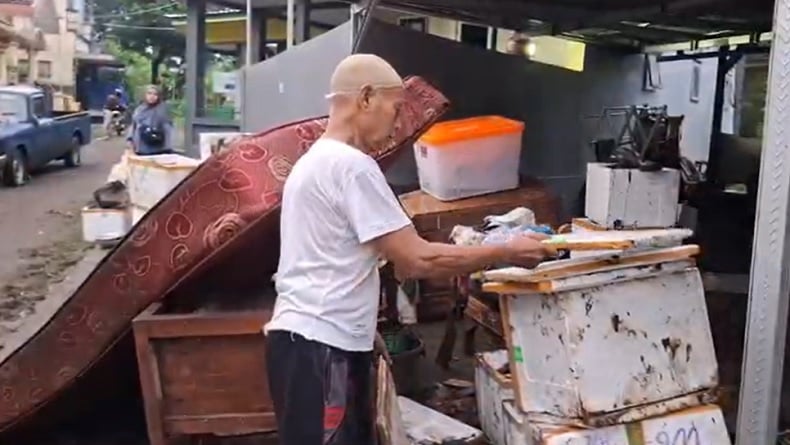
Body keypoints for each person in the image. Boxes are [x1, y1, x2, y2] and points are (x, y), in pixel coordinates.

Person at [263, 54, 555, 445]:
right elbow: (418, 258)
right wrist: (507, 250)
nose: (399, 123)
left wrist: (367, 335)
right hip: (322, 349)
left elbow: (333, 262)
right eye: (396, 108)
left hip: (312, 343)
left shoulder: (314, 162)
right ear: (366, 98)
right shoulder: (350, 167)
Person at [126, 85, 174, 155]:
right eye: (149, 93)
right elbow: (134, 125)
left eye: (155, 94)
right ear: (145, 95)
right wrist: (129, 140)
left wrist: (168, 148)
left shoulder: (162, 110)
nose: (152, 96)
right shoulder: (139, 109)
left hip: (157, 149)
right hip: (139, 148)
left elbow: (168, 129)